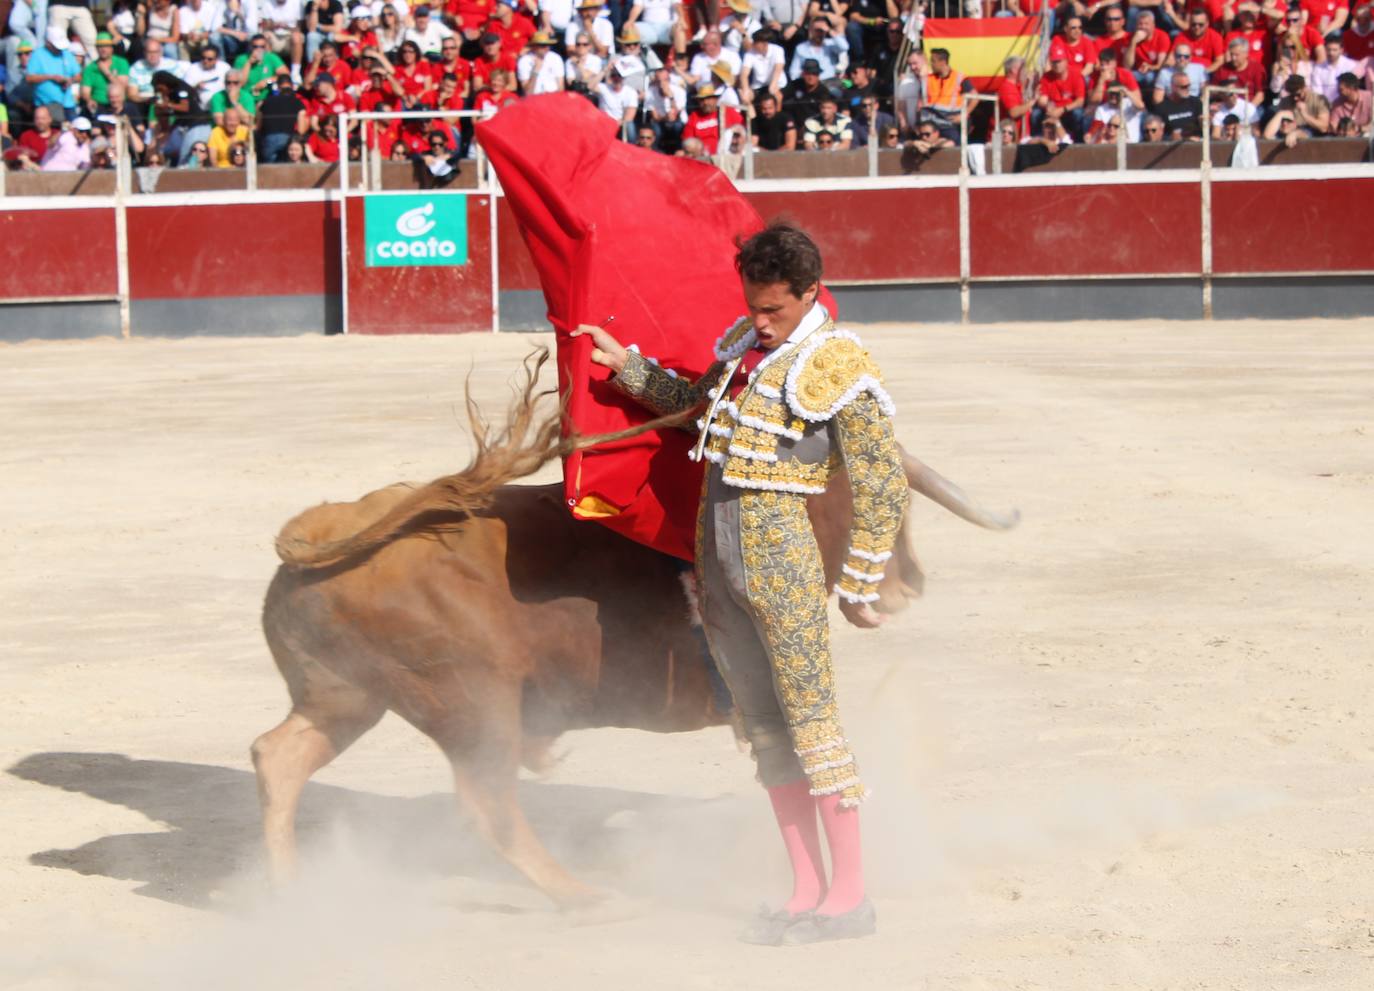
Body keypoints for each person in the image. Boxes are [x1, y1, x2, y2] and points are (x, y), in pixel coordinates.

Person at [571, 222, 907, 947]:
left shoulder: (840, 362)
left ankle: (850, 896)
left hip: (784, 563)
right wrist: (628, 367)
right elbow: (694, 403)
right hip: (718, 562)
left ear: (811, 292)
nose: (758, 321)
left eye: (773, 310)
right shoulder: (742, 348)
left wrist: (860, 576)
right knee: (762, 728)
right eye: (753, 306)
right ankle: (805, 888)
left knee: (813, 726)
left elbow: (882, 478)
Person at [680, 81, 741, 152]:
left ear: (715, 99)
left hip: (726, 154)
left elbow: (743, 131)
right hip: (701, 157)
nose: (705, 102)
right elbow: (687, 141)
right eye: (702, 100)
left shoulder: (727, 112)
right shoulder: (694, 117)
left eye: (708, 98)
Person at [1153, 65, 1204, 138]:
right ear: (1173, 87)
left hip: (1196, 143)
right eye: (1183, 87)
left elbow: (1204, 126)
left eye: (1188, 86)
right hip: (1172, 145)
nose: (1187, 89)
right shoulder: (1162, 108)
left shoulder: (1196, 102)